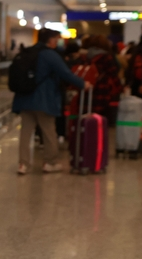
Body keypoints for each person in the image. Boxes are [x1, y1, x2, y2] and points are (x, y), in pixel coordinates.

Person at [12, 29, 91, 175]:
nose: (58, 42)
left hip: (24, 98)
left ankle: (23, 164)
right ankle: (50, 162)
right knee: (49, 131)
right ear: (51, 40)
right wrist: (82, 84)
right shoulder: (49, 55)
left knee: (25, 132)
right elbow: (65, 73)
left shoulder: (28, 52)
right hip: (43, 99)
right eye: (57, 39)